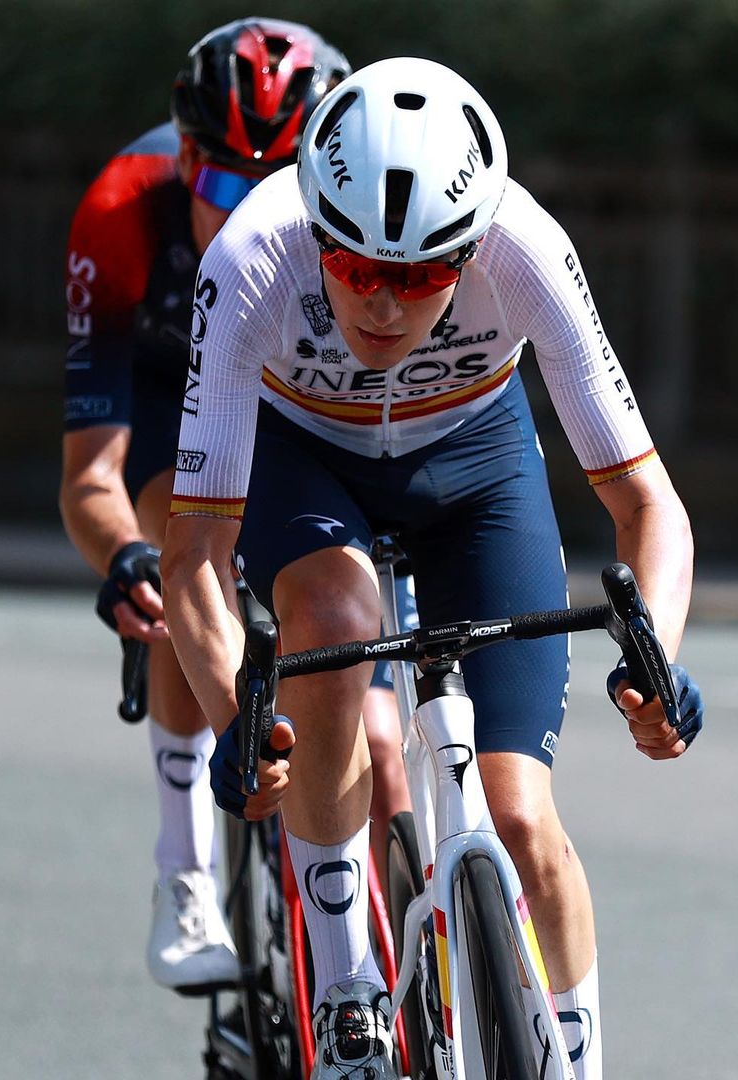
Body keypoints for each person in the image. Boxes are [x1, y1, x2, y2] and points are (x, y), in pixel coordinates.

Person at [162, 55, 705, 1078]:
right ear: (317, 235)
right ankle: (347, 993)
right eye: (356, 268)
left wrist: (657, 657)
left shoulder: (527, 249)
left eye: (419, 277)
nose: (383, 304)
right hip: (302, 457)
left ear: (472, 248)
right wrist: (239, 715)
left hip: (473, 465)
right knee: (334, 616)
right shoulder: (252, 259)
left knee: (522, 818)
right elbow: (194, 550)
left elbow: (648, 505)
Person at [58, 18, 409, 996]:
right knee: (178, 557)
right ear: (183, 163)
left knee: (381, 733)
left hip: (301, 407)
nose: (250, 211)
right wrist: (124, 556)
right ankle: (186, 872)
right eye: (223, 184)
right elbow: (90, 474)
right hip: (174, 393)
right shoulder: (119, 213)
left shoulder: (360, 233)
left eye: (282, 182)